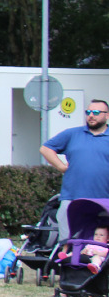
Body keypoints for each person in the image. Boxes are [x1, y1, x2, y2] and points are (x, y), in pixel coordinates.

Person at [40, 99, 109, 242]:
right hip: (72, 197)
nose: (91, 115)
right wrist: (61, 166)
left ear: (107, 115)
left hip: (104, 199)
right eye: (88, 112)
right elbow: (45, 149)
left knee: (100, 241)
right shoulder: (72, 134)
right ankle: (66, 256)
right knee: (67, 241)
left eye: (96, 112)